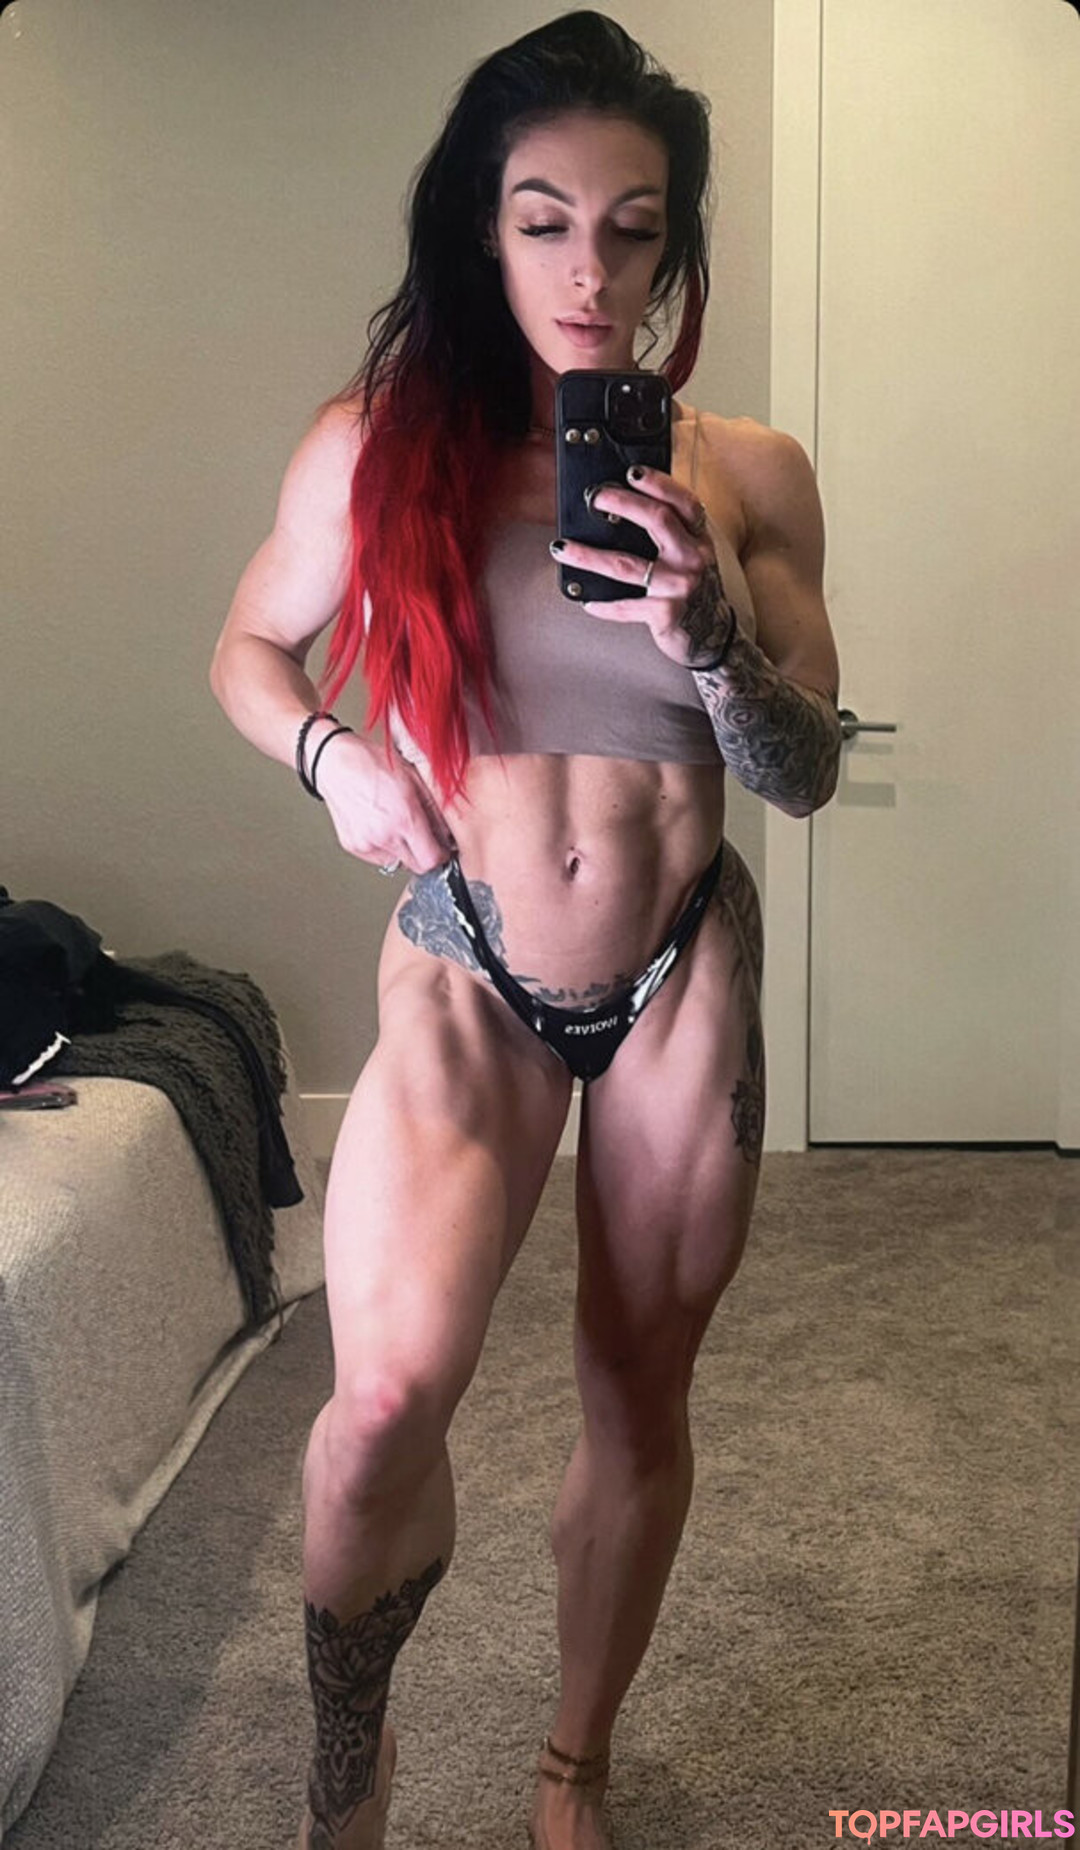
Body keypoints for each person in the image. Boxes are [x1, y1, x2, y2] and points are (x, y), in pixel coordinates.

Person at [209, 12, 842, 1848]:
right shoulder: (373, 449)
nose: (588, 272)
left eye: (632, 231)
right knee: (385, 1393)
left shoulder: (752, 474)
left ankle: (575, 1764)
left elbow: (802, 772)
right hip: (468, 956)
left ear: (674, 248)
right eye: (545, 221)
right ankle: (349, 1767)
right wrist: (332, 754)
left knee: (638, 1392)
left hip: (676, 972)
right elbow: (247, 651)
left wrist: (708, 637)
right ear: (482, 231)